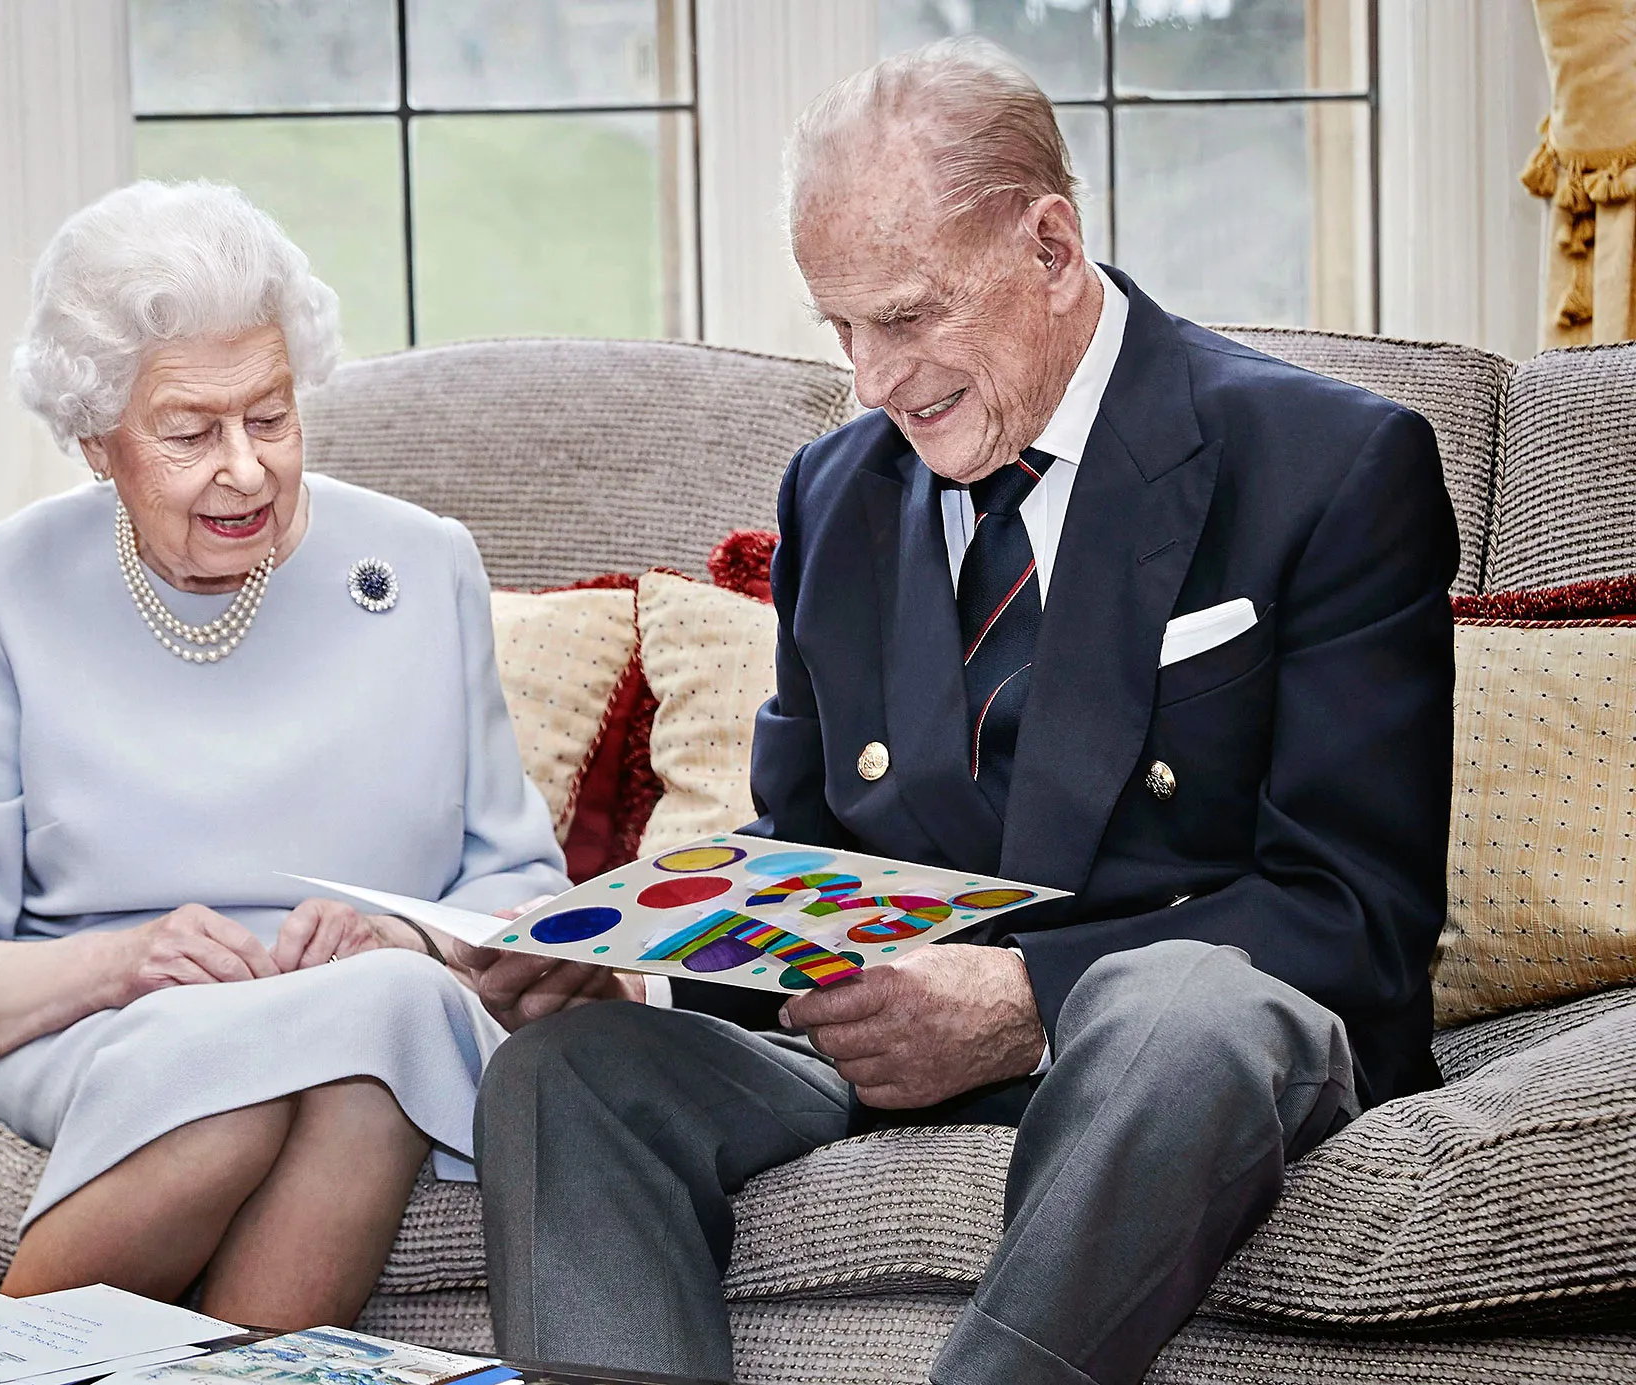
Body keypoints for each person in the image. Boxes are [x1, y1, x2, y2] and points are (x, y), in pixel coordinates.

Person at [464, 39, 1457, 1385]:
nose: (874, 380)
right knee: (565, 1076)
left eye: (911, 316)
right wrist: (633, 963)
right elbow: (800, 859)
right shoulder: (837, 493)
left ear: (1050, 246)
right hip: (885, 1058)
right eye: (842, 330)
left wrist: (1025, 998)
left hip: (1184, 1055)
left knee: (1179, 1011)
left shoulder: (1329, 465)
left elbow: (1359, 914)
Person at [0, 179, 572, 1330]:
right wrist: (123, 962)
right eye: (190, 432)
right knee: (260, 1083)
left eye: (271, 416)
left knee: (369, 1033)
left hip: (375, 1004)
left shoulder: (422, 562)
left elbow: (518, 888)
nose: (243, 468)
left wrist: (401, 932)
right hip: (100, 1019)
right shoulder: (4, 584)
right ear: (97, 442)